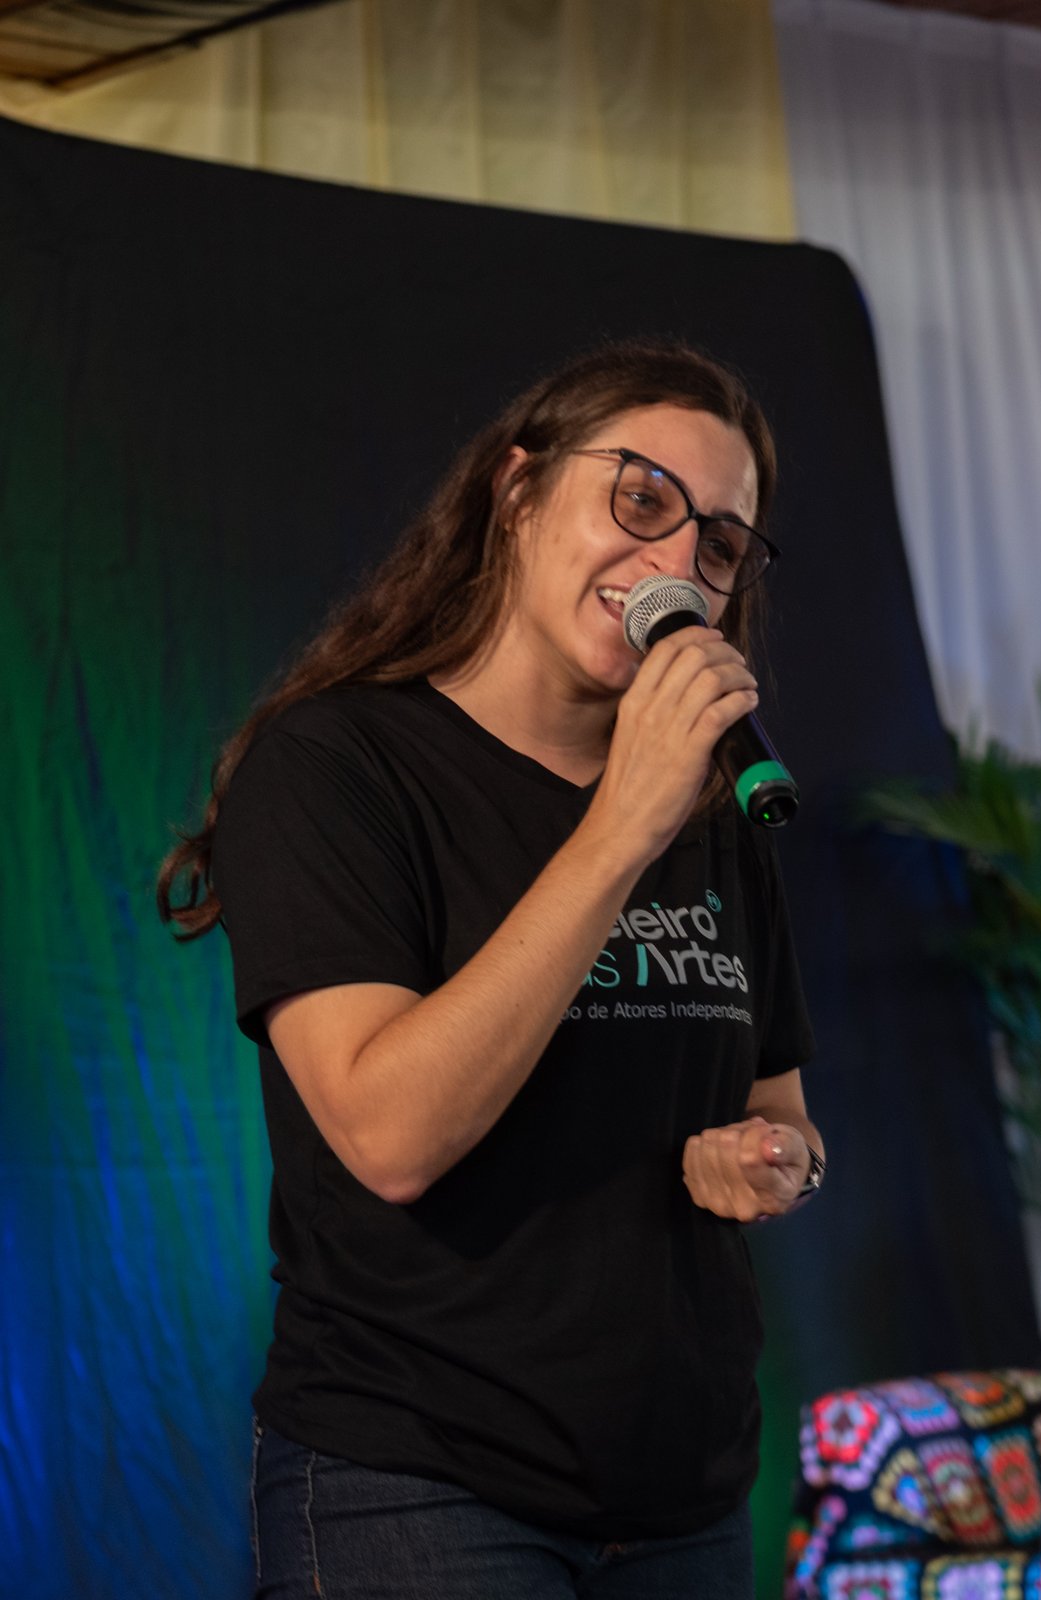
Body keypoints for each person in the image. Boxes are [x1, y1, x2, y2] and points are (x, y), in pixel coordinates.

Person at [158, 337, 823, 1600]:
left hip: (682, 1501)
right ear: (516, 493)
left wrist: (778, 1159)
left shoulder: (716, 806)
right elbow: (389, 1136)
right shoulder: (338, 767)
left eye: (719, 544)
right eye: (640, 499)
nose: (674, 563)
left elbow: (779, 1105)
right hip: (418, 1487)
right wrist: (619, 826)